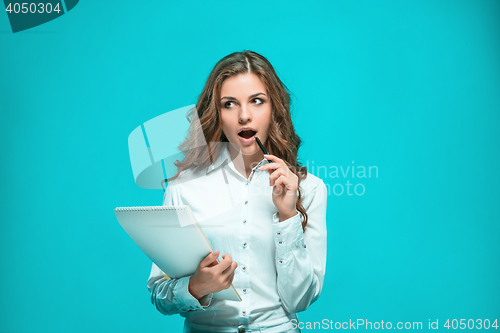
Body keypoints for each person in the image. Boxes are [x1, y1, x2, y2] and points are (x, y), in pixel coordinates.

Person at [147, 50, 328, 333]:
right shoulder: (184, 187)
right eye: (230, 104)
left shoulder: (310, 188)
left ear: (274, 109)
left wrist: (288, 215)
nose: (244, 116)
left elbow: (300, 300)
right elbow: (160, 295)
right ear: (216, 113)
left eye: (257, 101)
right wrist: (195, 287)